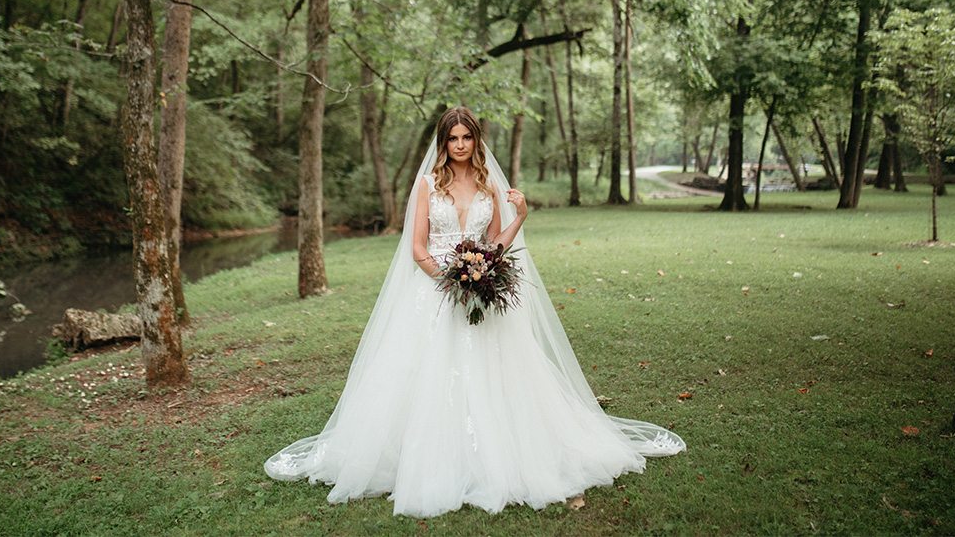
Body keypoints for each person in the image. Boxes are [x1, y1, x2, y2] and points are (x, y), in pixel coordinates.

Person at [265, 106, 685, 517]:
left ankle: (500, 453)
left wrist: (516, 221)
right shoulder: (428, 184)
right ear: (443, 142)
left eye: (467, 137)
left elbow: (496, 243)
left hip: (480, 292)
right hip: (435, 291)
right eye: (453, 138)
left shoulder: (488, 188)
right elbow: (417, 248)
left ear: (477, 141)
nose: (461, 144)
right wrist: (451, 280)